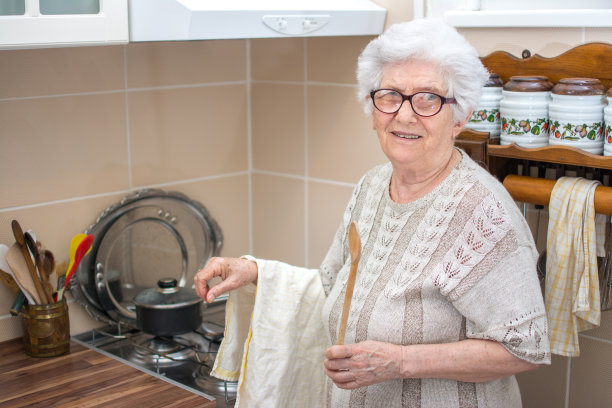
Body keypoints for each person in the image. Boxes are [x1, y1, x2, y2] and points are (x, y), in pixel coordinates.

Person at [195, 18, 550, 407]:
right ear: (372, 107)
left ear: (460, 117)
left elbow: (524, 346)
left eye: (428, 98)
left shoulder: (484, 213)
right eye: (390, 95)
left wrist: (400, 362)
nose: (404, 114)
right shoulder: (371, 187)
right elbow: (329, 285)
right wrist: (256, 273)